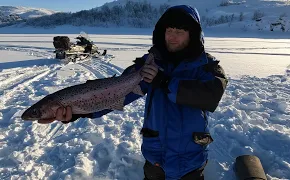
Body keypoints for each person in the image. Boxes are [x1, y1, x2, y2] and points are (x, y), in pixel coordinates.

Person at [39, 5, 228, 180]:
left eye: (179, 32)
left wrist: (164, 81)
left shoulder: (207, 66)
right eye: (169, 31)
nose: (172, 37)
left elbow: (210, 97)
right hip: (156, 157)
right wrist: (78, 110)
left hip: (191, 159)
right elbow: (115, 93)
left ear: (193, 35)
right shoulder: (148, 64)